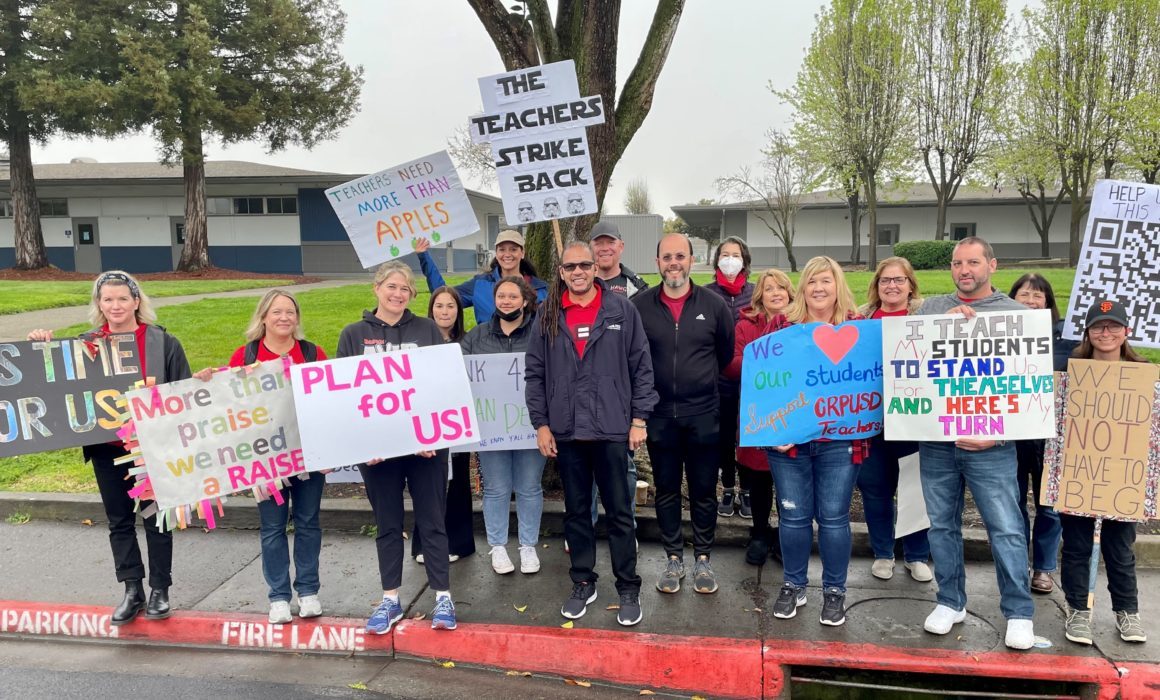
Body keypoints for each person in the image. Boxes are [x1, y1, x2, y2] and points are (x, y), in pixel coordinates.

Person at [28, 271, 190, 625]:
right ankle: (132, 588)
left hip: (151, 448)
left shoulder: (162, 343)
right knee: (119, 521)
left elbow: (184, 394)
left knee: (156, 519)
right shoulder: (86, 344)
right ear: (98, 305)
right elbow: (56, 383)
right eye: (107, 299)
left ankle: (160, 589)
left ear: (136, 301)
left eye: (122, 298)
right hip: (107, 447)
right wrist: (43, 347)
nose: (115, 305)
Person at [525, 241, 657, 626]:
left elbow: (641, 366)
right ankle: (583, 580)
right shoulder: (548, 314)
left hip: (613, 428)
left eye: (585, 264)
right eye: (570, 267)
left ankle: (628, 586)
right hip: (567, 431)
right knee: (577, 513)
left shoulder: (622, 310)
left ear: (595, 268)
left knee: (619, 513)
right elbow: (535, 373)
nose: (578, 271)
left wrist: (639, 419)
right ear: (561, 272)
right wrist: (542, 424)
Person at [916, 236, 1036, 650]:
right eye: (956, 263)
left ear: (992, 265)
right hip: (937, 443)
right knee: (942, 525)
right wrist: (940, 330)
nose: (964, 270)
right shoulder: (931, 309)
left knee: (1005, 528)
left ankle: (1019, 612)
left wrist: (997, 433)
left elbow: (1027, 390)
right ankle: (951, 601)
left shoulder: (1016, 314)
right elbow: (912, 365)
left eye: (972, 262)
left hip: (993, 447)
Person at [338, 261, 458, 634]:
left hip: (426, 449)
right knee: (387, 523)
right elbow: (345, 394)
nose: (397, 294)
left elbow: (440, 386)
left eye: (405, 289)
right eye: (391, 286)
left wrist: (432, 436)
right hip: (378, 454)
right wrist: (366, 443)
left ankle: (443, 598)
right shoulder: (353, 334)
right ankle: (389, 599)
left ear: (412, 295)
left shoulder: (427, 330)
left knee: (433, 520)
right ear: (376, 288)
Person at [198, 290, 328, 624]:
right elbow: (227, 403)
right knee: (272, 526)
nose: (284, 318)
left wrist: (330, 448)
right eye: (277, 312)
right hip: (265, 459)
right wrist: (209, 382)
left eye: (290, 312)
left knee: (308, 522)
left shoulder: (313, 353)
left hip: (307, 453)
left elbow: (329, 401)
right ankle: (279, 597)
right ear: (264, 317)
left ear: (297, 318)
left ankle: (309, 592)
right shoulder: (246, 354)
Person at [764, 256, 865, 627]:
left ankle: (835, 590)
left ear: (838, 285)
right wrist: (771, 429)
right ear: (802, 288)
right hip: (788, 442)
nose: (819, 288)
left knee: (835, 518)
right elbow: (765, 381)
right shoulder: (782, 325)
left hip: (839, 442)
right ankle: (794, 583)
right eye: (811, 282)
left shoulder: (858, 327)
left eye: (826, 281)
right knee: (792, 515)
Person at [634, 233, 734, 595]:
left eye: (680, 256)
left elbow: (723, 354)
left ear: (693, 260)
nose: (673, 263)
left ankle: (703, 559)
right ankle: (674, 557)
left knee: (705, 490)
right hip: (660, 416)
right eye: (666, 257)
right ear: (657, 262)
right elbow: (634, 360)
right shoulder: (640, 306)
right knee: (666, 490)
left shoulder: (715, 304)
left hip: (704, 414)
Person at [1059, 299, 1147, 646]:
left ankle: (1128, 612)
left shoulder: (1143, 376)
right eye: (1098, 326)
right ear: (1088, 332)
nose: (1105, 332)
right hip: (1080, 472)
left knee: (1120, 548)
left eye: (1112, 326)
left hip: (1123, 476)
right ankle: (1077, 609)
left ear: (1126, 331)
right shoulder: (1073, 372)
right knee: (1078, 545)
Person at [460, 277, 545, 575]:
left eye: (512, 296)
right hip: (491, 429)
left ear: (525, 301)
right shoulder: (477, 335)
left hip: (531, 425)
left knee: (529, 487)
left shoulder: (540, 332)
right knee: (496, 488)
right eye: (501, 296)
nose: (506, 301)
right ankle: (497, 546)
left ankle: (528, 545)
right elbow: (459, 375)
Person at [856, 257, 932, 583]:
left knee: (915, 489)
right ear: (877, 285)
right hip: (873, 421)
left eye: (899, 280)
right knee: (875, 489)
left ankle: (916, 555)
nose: (892, 286)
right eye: (885, 280)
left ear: (911, 284)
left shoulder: (927, 318)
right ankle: (883, 553)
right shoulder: (861, 319)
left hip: (914, 420)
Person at [1008, 273, 1075, 595]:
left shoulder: (1068, 339)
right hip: (1013, 433)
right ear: (1012, 299)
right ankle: (1018, 563)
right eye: (1024, 295)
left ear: (1048, 302)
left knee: (1050, 504)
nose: (1031, 301)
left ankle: (1044, 569)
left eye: (1038, 295)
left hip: (1053, 434)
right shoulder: (1000, 334)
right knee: (1014, 501)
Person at [724, 268, 794, 566]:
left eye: (781, 287)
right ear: (760, 296)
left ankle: (786, 535)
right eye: (768, 289)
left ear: (790, 292)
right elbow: (732, 364)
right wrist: (769, 359)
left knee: (791, 481)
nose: (775, 293)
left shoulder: (802, 323)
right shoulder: (745, 325)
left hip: (796, 411)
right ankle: (760, 533)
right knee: (761, 477)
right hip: (759, 412)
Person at [410, 284, 476, 565]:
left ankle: (459, 542)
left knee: (458, 482)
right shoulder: (416, 343)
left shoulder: (469, 343)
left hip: (457, 425)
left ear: (459, 311)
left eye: (451, 306)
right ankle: (424, 544)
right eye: (439, 305)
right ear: (431, 309)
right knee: (427, 486)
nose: (445, 311)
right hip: (426, 426)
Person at [704, 237, 756, 519]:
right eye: (725, 254)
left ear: (744, 260)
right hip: (719, 381)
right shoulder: (707, 293)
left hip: (753, 384)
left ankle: (747, 489)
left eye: (735, 255)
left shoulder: (755, 293)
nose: (730, 260)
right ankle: (726, 487)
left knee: (747, 436)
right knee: (723, 438)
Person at [416, 231, 548, 325]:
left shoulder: (540, 288)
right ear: (496, 253)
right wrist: (424, 257)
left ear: (522, 253)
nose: (507, 254)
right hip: (487, 352)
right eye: (502, 250)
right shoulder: (480, 284)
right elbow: (443, 295)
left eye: (513, 249)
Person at [592, 220, 649, 298]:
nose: (605, 248)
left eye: (611, 242)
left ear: (621, 246)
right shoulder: (580, 284)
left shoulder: (636, 288)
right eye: (598, 243)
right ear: (590, 248)